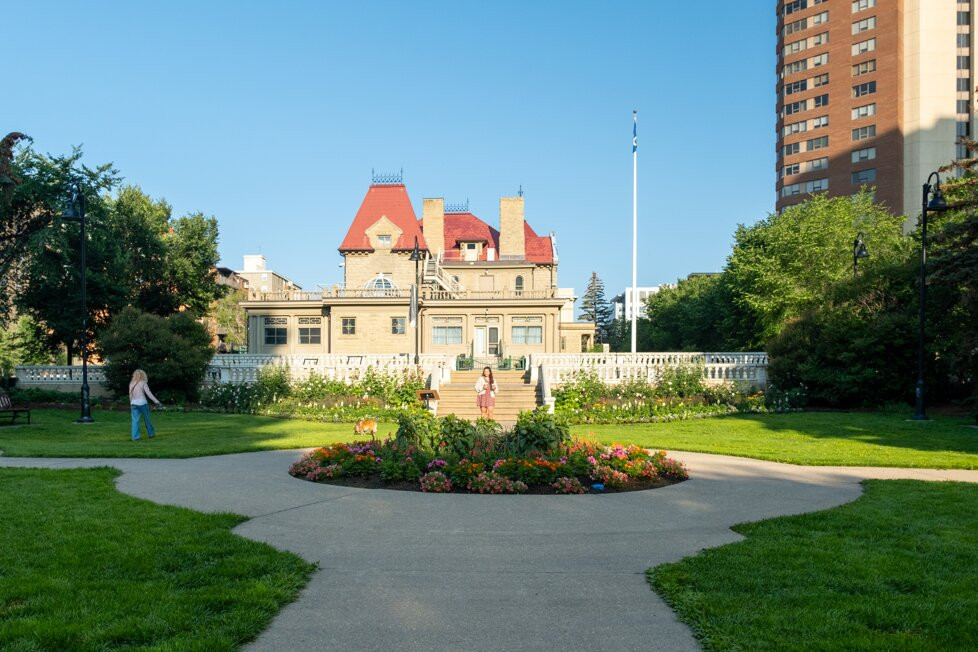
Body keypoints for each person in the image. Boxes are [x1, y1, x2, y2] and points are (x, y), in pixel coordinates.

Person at [129, 369, 161, 441]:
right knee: (147, 419)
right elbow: (149, 393)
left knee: (135, 421)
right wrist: (156, 401)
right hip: (142, 403)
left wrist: (131, 403)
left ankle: (135, 437)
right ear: (143, 375)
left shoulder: (131, 383)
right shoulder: (143, 383)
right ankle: (151, 434)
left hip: (134, 404)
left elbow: (130, 395)